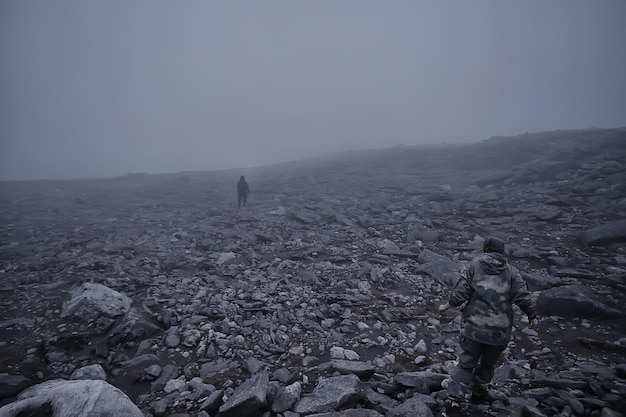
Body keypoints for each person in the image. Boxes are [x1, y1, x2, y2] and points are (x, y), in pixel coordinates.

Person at [438, 236, 538, 403]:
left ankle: (455, 399)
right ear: (501, 252)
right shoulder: (512, 272)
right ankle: (479, 393)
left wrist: (447, 305)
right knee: (488, 364)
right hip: (499, 331)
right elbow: (523, 297)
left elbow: (461, 293)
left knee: (466, 363)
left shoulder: (473, 266)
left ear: (485, 249)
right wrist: (532, 316)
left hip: (473, 328)